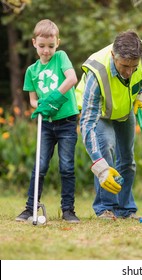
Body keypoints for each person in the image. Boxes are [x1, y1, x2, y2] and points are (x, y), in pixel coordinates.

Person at [76, 30, 142, 219]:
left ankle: (125, 209)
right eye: (124, 65)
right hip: (100, 113)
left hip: (124, 111)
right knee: (106, 149)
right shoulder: (97, 72)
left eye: (133, 66)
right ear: (113, 56)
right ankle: (105, 208)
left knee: (128, 161)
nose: (128, 72)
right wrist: (99, 166)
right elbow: (87, 124)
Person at [16, 19, 80, 223]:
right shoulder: (31, 71)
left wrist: (54, 98)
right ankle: (30, 208)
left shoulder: (61, 58)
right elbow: (33, 100)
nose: (46, 51)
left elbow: (72, 79)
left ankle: (68, 210)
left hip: (67, 122)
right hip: (46, 124)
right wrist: (41, 106)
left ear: (57, 43)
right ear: (34, 43)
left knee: (67, 166)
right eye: (42, 46)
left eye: (50, 46)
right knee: (40, 165)